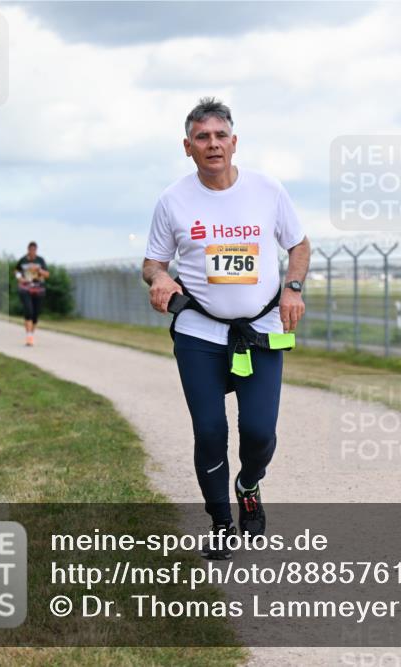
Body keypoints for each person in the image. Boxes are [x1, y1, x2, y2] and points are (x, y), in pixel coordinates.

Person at [142, 97, 310, 560]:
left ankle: (249, 484)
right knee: (210, 430)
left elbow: (298, 245)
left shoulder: (267, 190)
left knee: (259, 432)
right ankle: (220, 522)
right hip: (199, 333)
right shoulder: (173, 200)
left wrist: (293, 288)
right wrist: (159, 279)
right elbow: (153, 262)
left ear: (234, 142)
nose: (212, 144)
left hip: (261, 330)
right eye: (202, 137)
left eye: (220, 136)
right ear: (188, 147)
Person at [15, 242, 49, 346]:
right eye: (31, 250)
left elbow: (47, 274)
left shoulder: (40, 260)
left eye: (34, 250)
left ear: (36, 250)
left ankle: (31, 335)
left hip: (39, 289)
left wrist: (39, 270)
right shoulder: (23, 260)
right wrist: (20, 278)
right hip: (25, 289)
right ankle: (29, 336)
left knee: (35, 315)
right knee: (29, 311)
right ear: (28, 250)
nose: (33, 252)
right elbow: (16, 271)